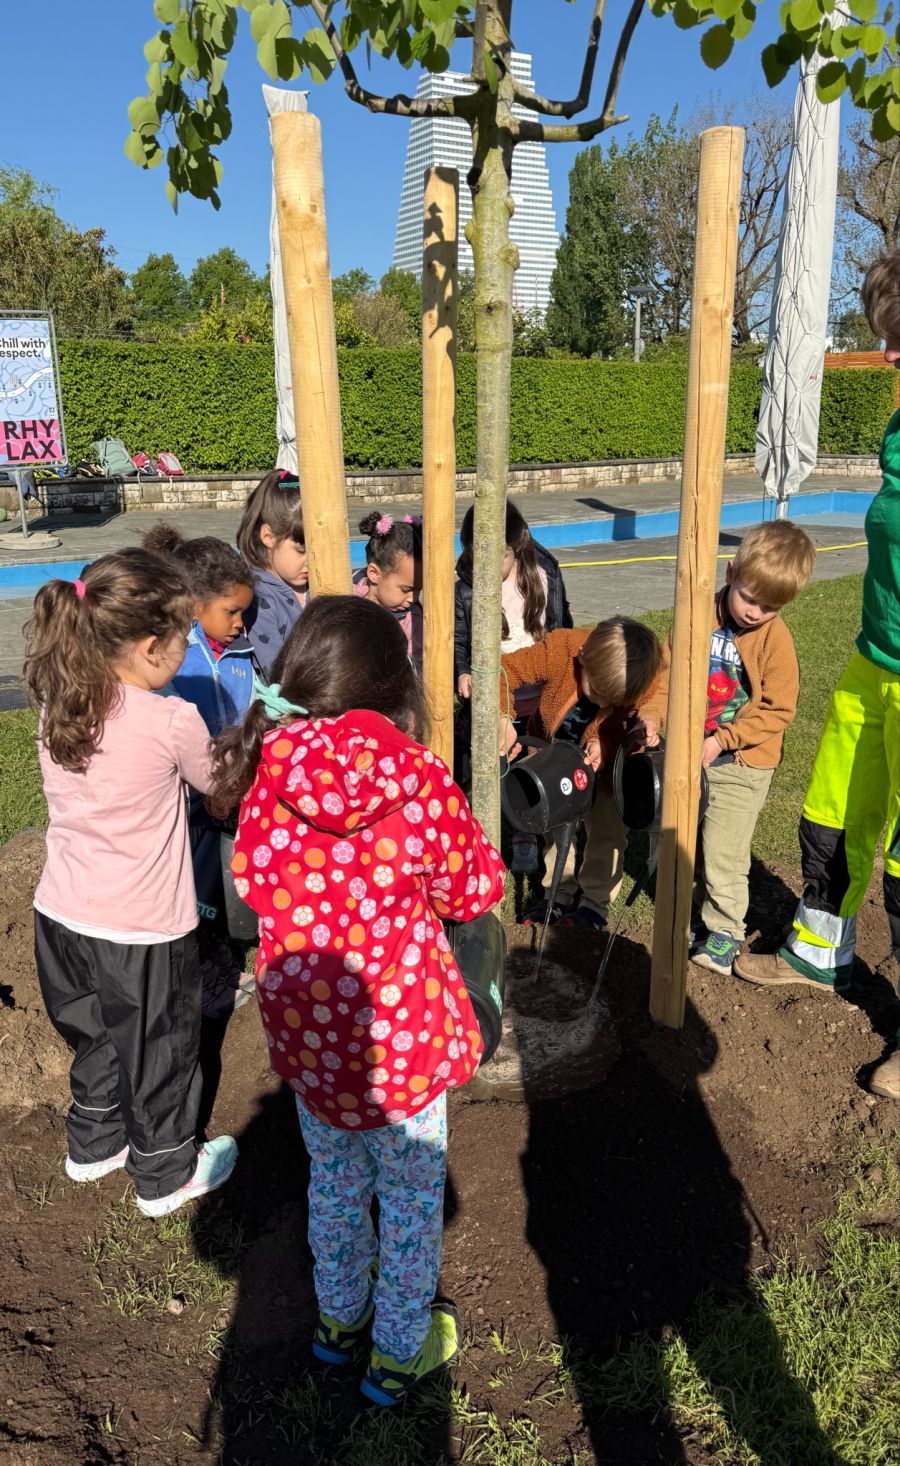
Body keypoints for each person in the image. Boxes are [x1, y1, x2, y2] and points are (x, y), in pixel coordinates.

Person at [208, 596, 505, 1405]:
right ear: (394, 690)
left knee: (334, 1184)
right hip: (400, 1045)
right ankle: (400, 1349)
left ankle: (340, 1323)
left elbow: (253, 885)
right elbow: (476, 886)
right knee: (411, 1200)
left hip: (312, 1043)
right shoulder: (415, 776)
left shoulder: (265, 765)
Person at [23, 549, 237, 1217]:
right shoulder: (170, 718)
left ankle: (93, 1143)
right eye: (183, 637)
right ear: (151, 646)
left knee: (94, 1034)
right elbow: (221, 791)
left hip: (60, 916)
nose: (187, 648)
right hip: (142, 930)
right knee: (161, 1048)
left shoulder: (62, 701)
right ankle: (164, 1172)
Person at [734, 253, 900, 1104]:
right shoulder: (899, 427)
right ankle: (818, 946)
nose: (891, 358)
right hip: (877, 659)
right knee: (830, 810)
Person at [640, 520, 816, 975]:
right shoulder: (697, 617)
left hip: (742, 760)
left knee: (723, 848)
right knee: (685, 835)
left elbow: (779, 710)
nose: (756, 612)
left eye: (770, 607)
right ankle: (693, 910)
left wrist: (723, 739)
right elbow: (666, 675)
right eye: (749, 598)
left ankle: (724, 930)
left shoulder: (776, 642)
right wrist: (653, 717)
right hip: (692, 750)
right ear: (729, 573)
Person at [142, 523, 258, 1018]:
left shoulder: (239, 652)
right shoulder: (171, 657)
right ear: (193, 604)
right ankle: (203, 975)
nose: (239, 622)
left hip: (226, 790)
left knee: (219, 881)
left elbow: (250, 708)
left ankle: (222, 958)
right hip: (184, 798)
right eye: (230, 611)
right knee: (189, 888)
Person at [500, 616, 662, 932]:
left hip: (607, 773)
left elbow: (633, 725)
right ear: (585, 656)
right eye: (599, 691)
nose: (602, 702)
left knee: (607, 834)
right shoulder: (561, 648)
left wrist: (608, 744)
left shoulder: (644, 680)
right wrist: (503, 718)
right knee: (557, 831)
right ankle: (557, 894)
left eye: (613, 701)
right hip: (552, 765)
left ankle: (593, 906)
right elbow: (504, 671)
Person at [454, 499, 572, 702]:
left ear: (516, 546)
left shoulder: (545, 578)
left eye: (500, 556)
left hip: (543, 697)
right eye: (479, 556)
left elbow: (561, 629)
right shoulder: (465, 591)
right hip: (496, 702)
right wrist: (463, 672)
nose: (488, 565)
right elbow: (458, 641)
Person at [238, 470, 308, 679]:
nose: (312, 561)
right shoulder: (258, 599)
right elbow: (277, 674)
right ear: (268, 537)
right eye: (302, 550)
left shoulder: (315, 584)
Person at [353, 511, 423, 661]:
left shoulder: (412, 621)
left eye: (419, 590)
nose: (413, 598)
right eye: (406, 589)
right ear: (374, 574)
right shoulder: (346, 595)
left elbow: (413, 668)